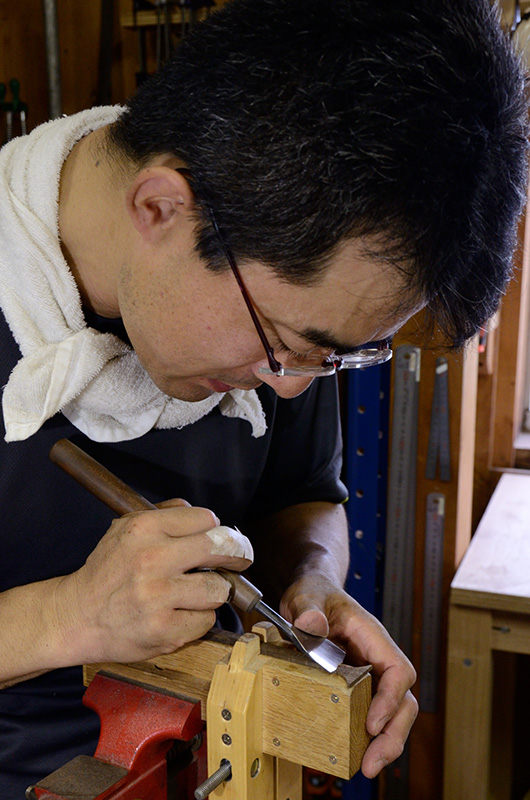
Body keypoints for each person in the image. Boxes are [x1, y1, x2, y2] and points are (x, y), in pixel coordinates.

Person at [0, 0, 527, 794]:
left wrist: (311, 582)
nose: (285, 384)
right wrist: (64, 617)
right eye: (284, 341)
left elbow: (302, 492)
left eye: (327, 358)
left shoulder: (280, 296)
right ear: (160, 208)